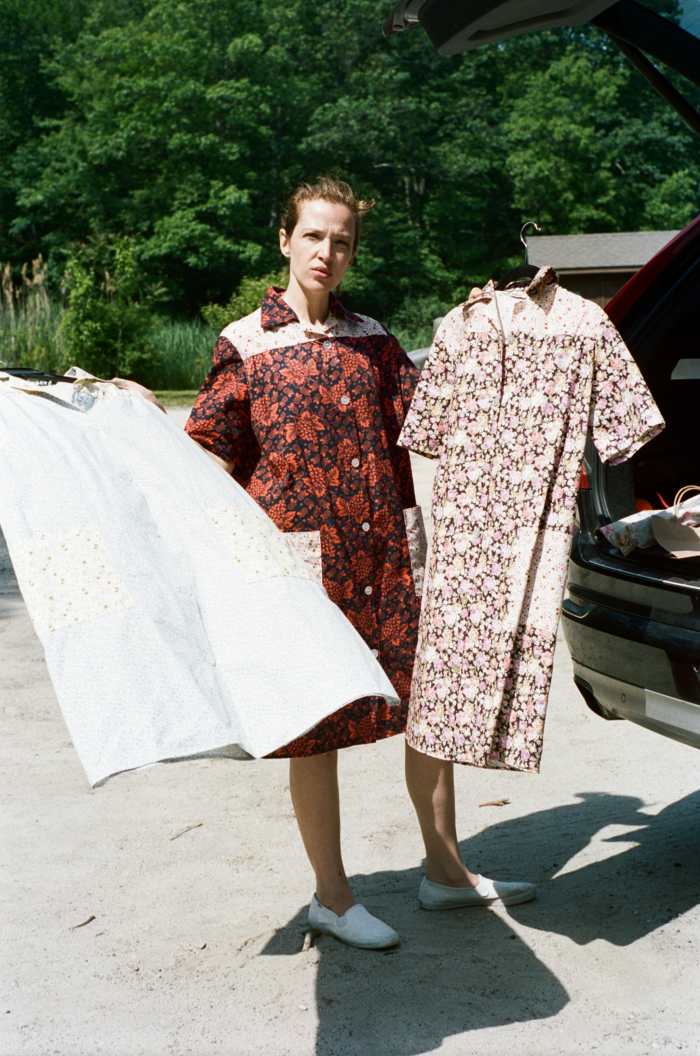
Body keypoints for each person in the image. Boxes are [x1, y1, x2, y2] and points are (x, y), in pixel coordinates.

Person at [120, 176, 534, 948]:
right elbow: (208, 453)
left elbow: (434, 418)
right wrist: (144, 419)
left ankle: (445, 872)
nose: (327, 251)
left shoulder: (374, 340)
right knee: (318, 728)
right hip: (302, 570)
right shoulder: (244, 343)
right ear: (285, 240)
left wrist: (476, 333)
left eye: (341, 240)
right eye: (314, 235)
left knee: (430, 713)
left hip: (386, 556)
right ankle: (333, 898)